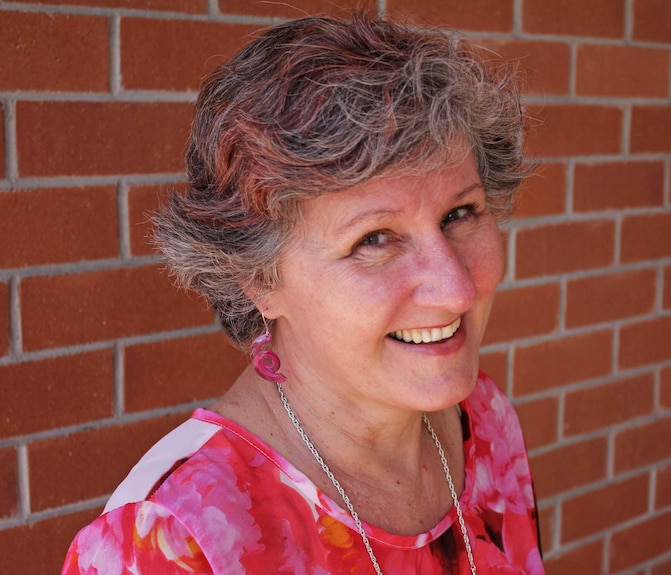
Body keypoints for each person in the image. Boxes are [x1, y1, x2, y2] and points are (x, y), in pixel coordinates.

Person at [61, 12, 543, 575]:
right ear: (258, 278)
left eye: (460, 213)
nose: (458, 290)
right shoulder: (170, 542)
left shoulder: (482, 421)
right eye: (374, 238)